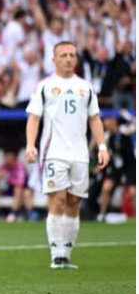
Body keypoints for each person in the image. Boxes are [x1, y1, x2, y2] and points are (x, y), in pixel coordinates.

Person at [26, 40, 109, 270]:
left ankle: (67, 254)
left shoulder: (86, 87)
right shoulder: (44, 86)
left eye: (72, 55)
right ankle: (56, 254)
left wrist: (102, 147)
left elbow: (95, 119)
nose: (69, 59)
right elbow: (34, 117)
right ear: (54, 59)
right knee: (58, 199)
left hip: (80, 154)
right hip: (53, 153)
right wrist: (30, 144)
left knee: (73, 203)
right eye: (63, 55)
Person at [96, 116, 135, 221]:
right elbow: (105, 151)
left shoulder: (125, 131)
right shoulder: (107, 137)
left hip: (129, 165)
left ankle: (134, 216)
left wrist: (128, 116)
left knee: (133, 192)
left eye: (108, 122)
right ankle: (102, 213)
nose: (106, 125)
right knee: (106, 188)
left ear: (114, 122)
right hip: (116, 167)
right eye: (105, 123)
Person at [0, 150, 34, 223]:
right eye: (6, 159)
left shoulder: (20, 167)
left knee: (18, 189)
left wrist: (8, 177)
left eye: (9, 159)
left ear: (14, 159)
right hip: (6, 189)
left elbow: (21, 183)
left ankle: (13, 214)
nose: (7, 161)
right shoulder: (2, 166)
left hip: (20, 190)